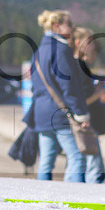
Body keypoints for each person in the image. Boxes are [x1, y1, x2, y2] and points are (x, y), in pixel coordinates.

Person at [30, 10, 91, 183]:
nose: (73, 28)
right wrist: (81, 114)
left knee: (46, 160)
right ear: (56, 26)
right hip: (59, 113)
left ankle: (42, 195)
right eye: (69, 24)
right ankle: (73, 196)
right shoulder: (61, 50)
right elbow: (69, 87)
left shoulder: (38, 52)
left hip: (41, 113)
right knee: (77, 157)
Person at [73, 27, 105, 183]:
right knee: (94, 169)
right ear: (78, 43)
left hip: (84, 121)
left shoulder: (76, 65)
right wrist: (100, 91)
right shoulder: (80, 66)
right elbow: (82, 100)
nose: (93, 46)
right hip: (85, 122)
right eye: (90, 42)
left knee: (83, 165)